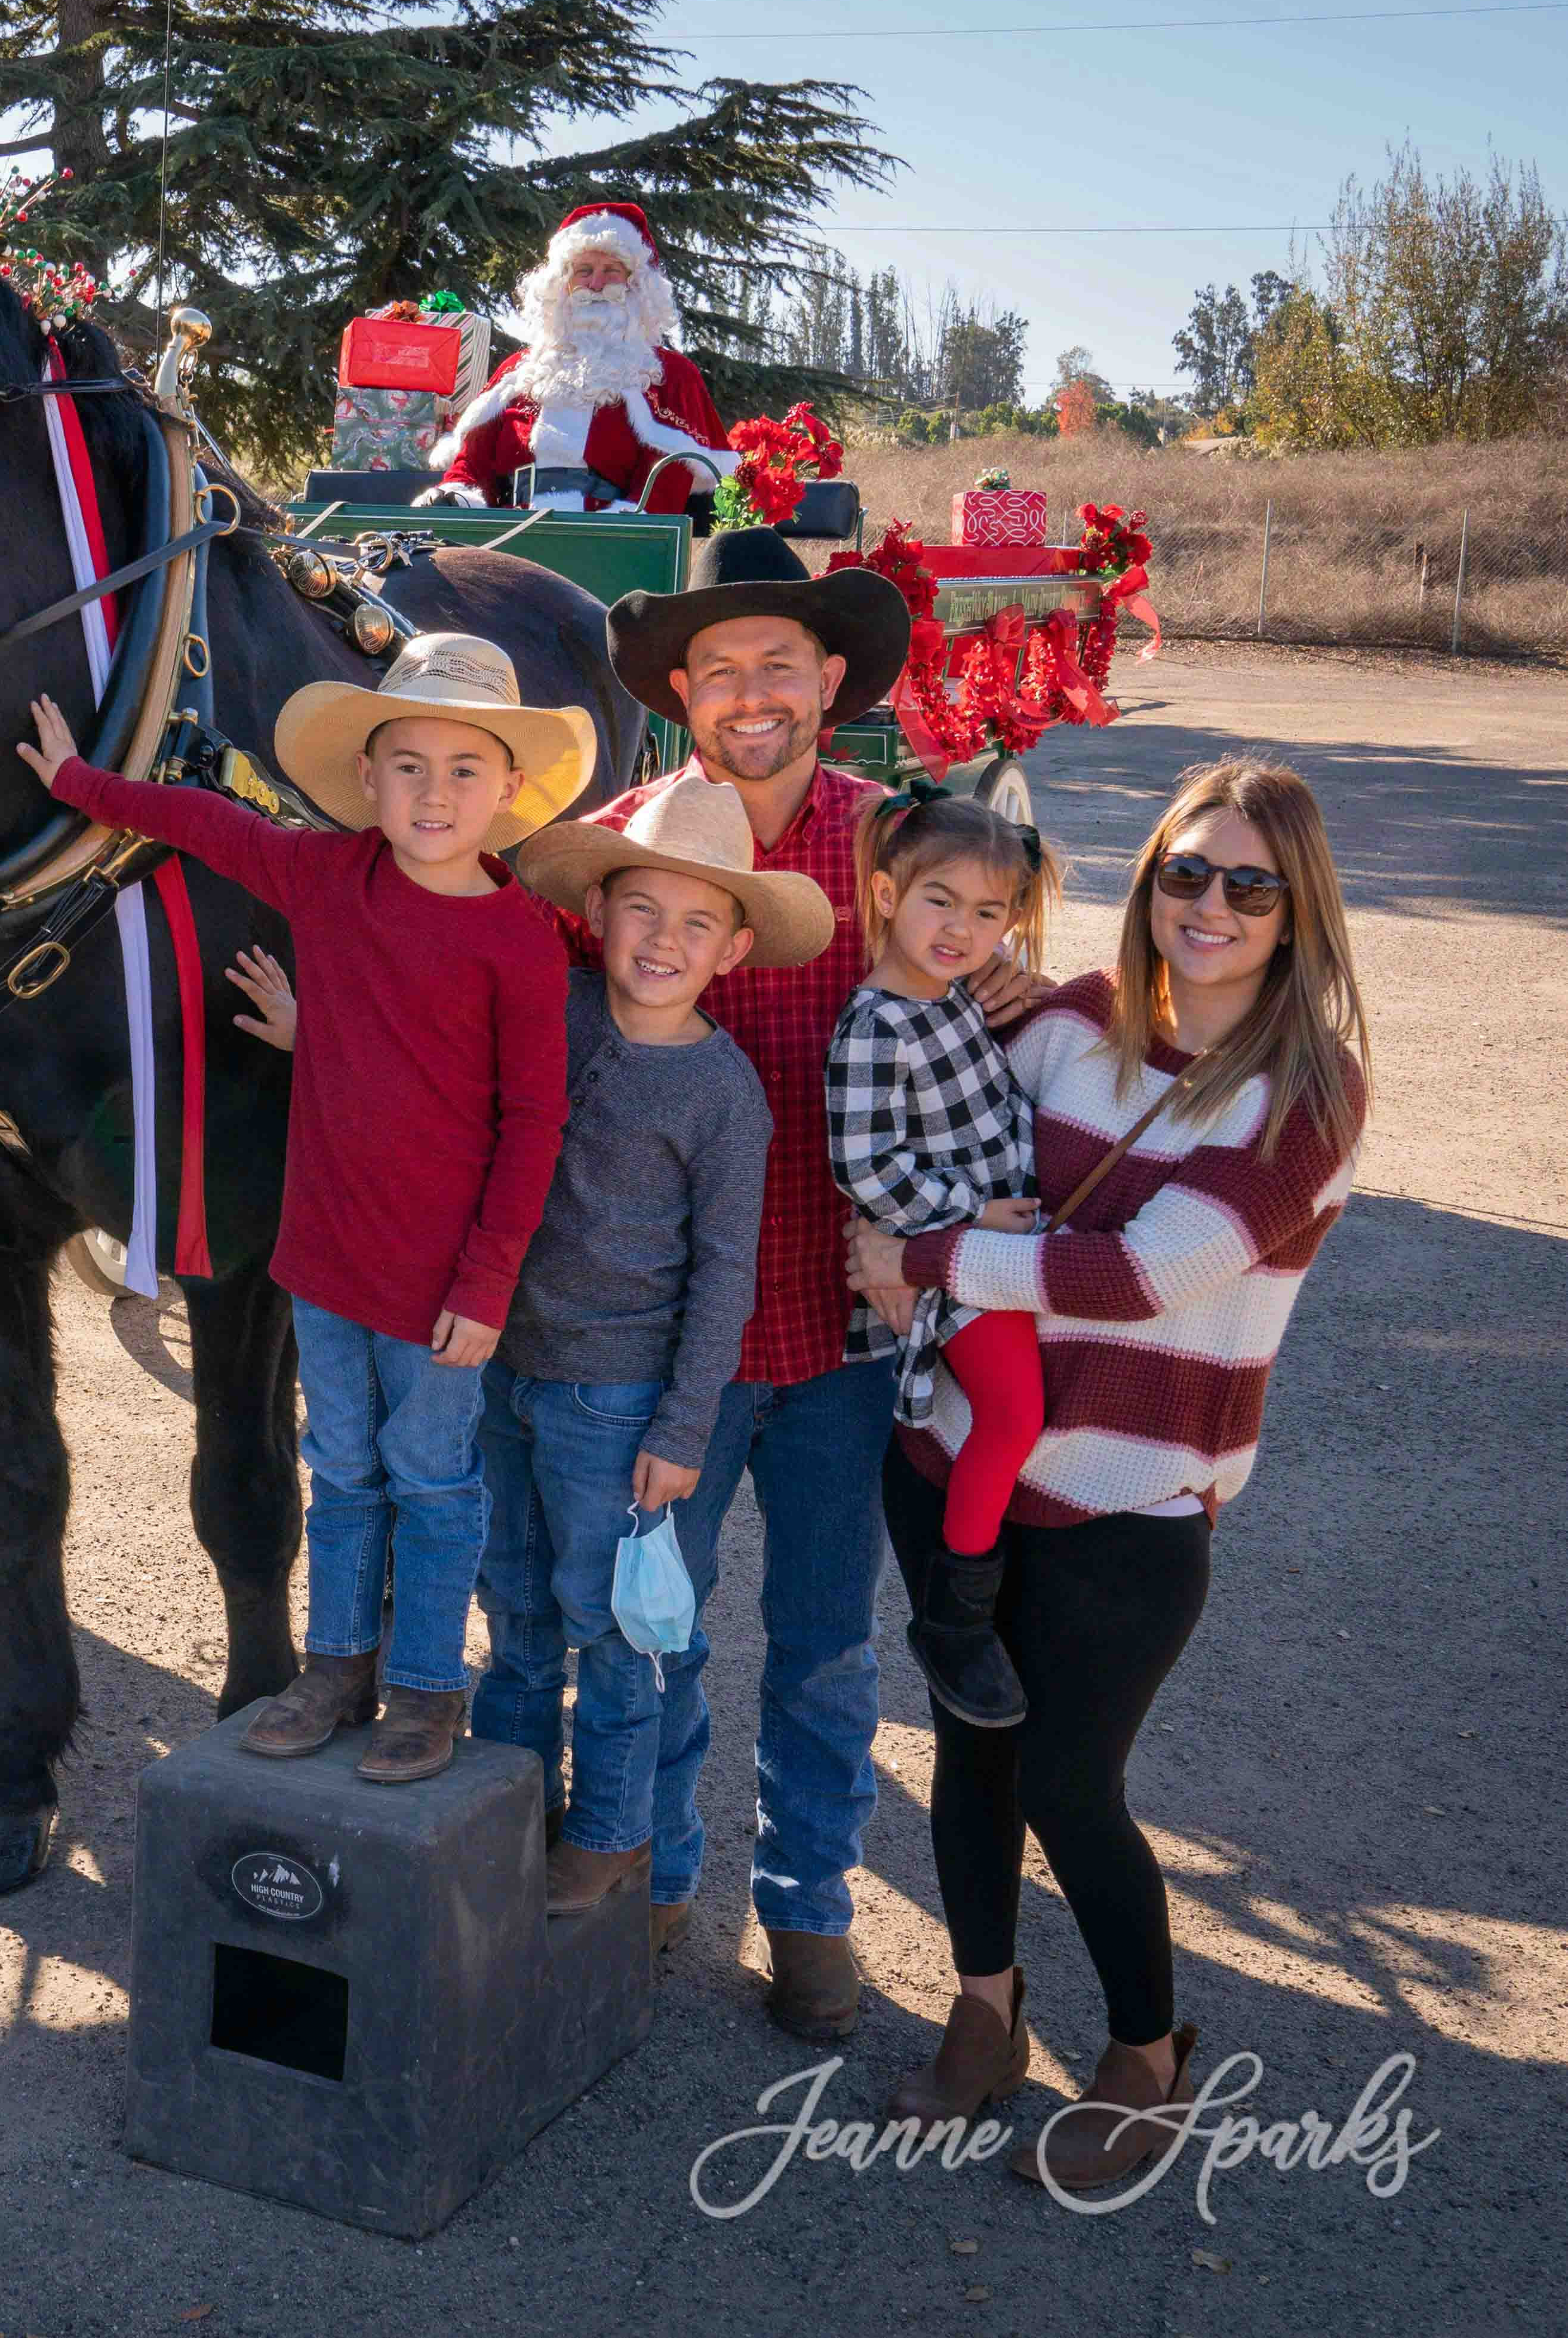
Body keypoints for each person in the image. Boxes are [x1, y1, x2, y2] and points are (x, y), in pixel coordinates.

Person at [855, 758, 1368, 2195]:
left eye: (1247, 883)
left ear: (1295, 909)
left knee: (1072, 1781)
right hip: (954, 1450)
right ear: (1148, 882)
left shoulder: (1304, 1098)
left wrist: (932, 1261)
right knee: (969, 1752)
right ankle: (983, 2004)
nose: (1208, 903)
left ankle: (1144, 2054)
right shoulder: (1064, 1018)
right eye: (1184, 872)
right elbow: (930, 1124)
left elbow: (1142, 1277)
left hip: (1134, 1496)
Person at [577, 528, 1046, 2039]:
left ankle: (810, 1906)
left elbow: (1001, 967)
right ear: (684, 693)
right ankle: (650, 1869)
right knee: (651, 1621)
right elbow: (496, 986)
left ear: (831, 678)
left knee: (826, 1642)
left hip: (847, 1329)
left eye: (779, 662)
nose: (751, 692)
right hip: (673, 1338)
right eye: (719, 669)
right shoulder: (630, 846)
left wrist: (1058, 993)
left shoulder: (892, 846)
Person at [13, 634, 587, 1783]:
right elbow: (205, 825)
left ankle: (426, 1687)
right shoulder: (325, 877)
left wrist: (485, 1286)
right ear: (365, 782)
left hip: (437, 1291)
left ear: (508, 790)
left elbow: (529, 1126)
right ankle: (334, 1666)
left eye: (463, 769)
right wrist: (77, 785)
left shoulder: (519, 944)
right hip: (323, 1264)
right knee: (341, 1470)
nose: (433, 792)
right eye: (407, 766)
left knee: (431, 1483)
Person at [480, 775, 816, 1913]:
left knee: (616, 1630)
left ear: (729, 950)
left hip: (617, 1404)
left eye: (693, 922)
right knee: (515, 1608)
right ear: (597, 911)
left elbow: (725, 1273)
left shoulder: (722, 1095)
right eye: (639, 909)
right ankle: (505, 1805)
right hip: (504, 1371)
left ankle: (610, 1829)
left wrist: (682, 1428)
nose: (660, 940)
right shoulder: (556, 1008)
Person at [828, 786, 1062, 1731]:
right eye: (938, 902)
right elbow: (863, 1166)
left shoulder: (954, 997)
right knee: (1010, 1413)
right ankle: (953, 1614)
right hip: (959, 1256)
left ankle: (1002, 1576)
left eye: (986, 911)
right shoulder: (876, 1024)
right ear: (885, 896)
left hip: (1001, 1240)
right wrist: (971, 1218)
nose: (959, 928)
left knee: (1034, 1409)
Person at [428, 202, 741, 515]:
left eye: (612, 271)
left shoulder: (671, 374)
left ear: (637, 284)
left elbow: (668, 476)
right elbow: (472, 461)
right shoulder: (519, 369)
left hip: (611, 539)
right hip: (511, 534)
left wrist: (628, 523)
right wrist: (458, 494)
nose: (595, 284)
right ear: (563, 284)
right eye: (584, 271)